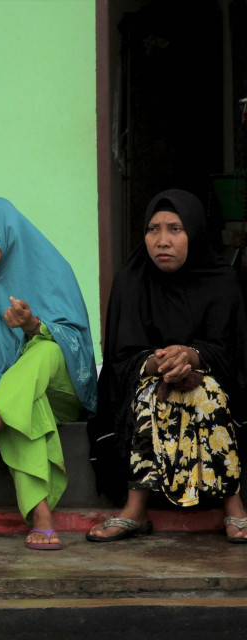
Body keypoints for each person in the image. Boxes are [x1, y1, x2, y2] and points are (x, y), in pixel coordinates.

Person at [86, 189, 247, 543]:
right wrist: (161, 364)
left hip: (211, 379)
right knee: (151, 398)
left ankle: (232, 503)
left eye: (175, 229)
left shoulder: (221, 281)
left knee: (207, 393)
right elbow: (120, 357)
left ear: (195, 231)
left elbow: (231, 351)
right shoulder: (131, 280)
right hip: (146, 380)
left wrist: (191, 357)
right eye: (153, 229)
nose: (162, 240)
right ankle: (136, 507)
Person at [0, 197, 97, 550]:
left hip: (64, 387)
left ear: (5, 232)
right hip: (21, 399)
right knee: (23, 404)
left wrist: (34, 325)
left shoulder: (52, 268)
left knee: (45, 348)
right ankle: (42, 517)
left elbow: (75, 341)